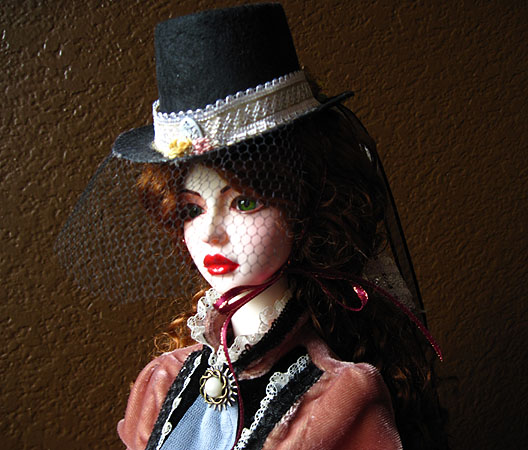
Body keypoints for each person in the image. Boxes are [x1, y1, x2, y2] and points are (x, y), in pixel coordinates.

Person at [56, 4, 447, 449]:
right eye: (191, 209)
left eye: (244, 202)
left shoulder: (337, 400)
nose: (210, 233)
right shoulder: (162, 382)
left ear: (306, 205)